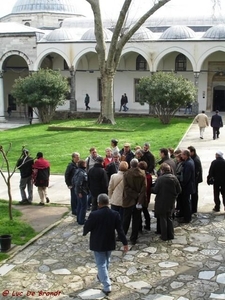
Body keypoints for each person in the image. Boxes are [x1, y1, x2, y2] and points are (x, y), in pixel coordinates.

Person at [83, 193, 128, 296]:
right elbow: (120, 230)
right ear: (108, 202)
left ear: (99, 203)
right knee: (106, 261)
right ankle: (101, 275)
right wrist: (125, 243)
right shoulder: (115, 214)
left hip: (98, 242)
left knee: (101, 264)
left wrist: (84, 232)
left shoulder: (94, 214)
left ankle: (107, 286)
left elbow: (88, 226)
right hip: (109, 241)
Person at [152, 163, 181, 241]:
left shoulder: (160, 179)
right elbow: (179, 190)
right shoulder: (174, 178)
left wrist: (151, 188)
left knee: (163, 218)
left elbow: (155, 190)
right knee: (169, 217)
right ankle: (171, 234)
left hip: (161, 201)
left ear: (162, 170)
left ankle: (164, 235)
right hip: (171, 201)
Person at [122, 158, 147, 245]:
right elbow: (144, 188)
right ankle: (133, 238)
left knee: (126, 219)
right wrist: (139, 197)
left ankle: (122, 235)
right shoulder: (142, 173)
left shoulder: (126, 174)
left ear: (130, 164)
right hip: (138, 200)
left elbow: (126, 188)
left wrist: (134, 195)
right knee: (136, 220)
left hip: (129, 199)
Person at [179, 150, 195, 223]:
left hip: (187, 186)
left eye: (182, 155)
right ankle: (185, 216)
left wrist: (182, 184)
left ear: (185, 155)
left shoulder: (188, 164)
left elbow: (186, 177)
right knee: (186, 201)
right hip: (188, 185)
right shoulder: (189, 161)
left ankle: (187, 218)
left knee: (186, 202)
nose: (181, 156)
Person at [188, 146, 203, 214]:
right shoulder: (193, 158)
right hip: (194, 180)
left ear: (192, 152)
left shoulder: (195, 160)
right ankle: (193, 207)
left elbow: (197, 172)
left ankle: (194, 208)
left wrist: (194, 180)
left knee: (194, 194)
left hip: (195, 181)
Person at [73, 160, 88, 225]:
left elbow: (73, 180)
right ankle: (81, 220)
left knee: (79, 205)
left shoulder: (77, 171)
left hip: (78, 191)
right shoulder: (81, 173)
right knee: (84, 206)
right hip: (82, 191)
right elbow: (79, 183)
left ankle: (79, 218)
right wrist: (79, 192)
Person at [138, 161, 152, 231]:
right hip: (147, 195)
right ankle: (148, 224)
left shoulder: (140, 176)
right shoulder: (149, 175)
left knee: (139, 212)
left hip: (141, 195)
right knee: (145, 210)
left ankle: (139, 227)